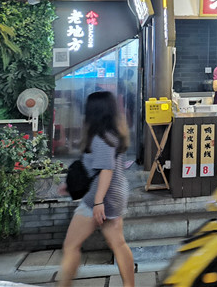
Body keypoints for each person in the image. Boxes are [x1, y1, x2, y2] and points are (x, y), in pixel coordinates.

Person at [58, 91, 134, 287]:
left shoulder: (101, 138)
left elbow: (106, 170)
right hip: (114, 196)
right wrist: (71, 186)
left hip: (100, 199)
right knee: (118, 243)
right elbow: (94, 168)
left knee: (71, 245)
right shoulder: (112, 134)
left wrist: (99, 202)